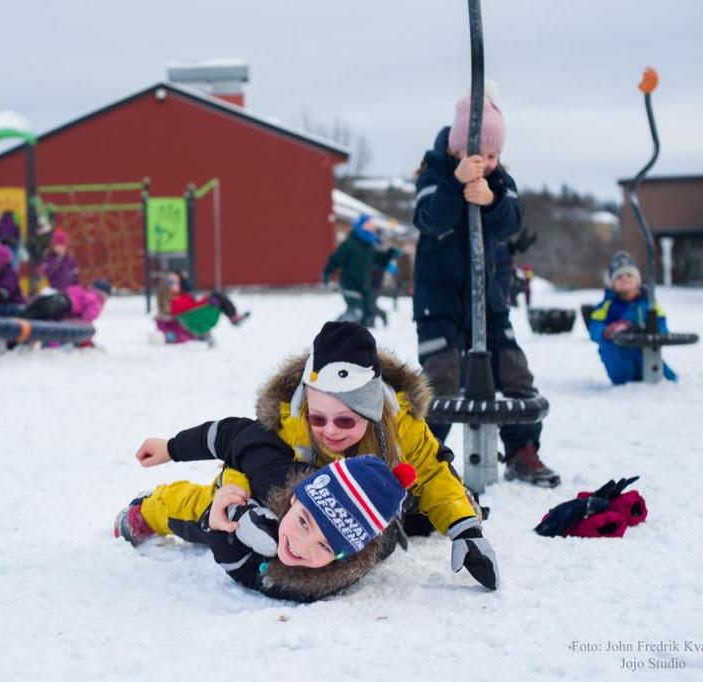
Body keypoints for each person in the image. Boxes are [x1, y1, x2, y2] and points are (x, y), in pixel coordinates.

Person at [116, 321, 499, 591]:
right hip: (288, 499)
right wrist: (229, 502)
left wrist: (464, 527)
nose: (330, 430)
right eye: (319, 418)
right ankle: (151, 509)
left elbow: (431, 473)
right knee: (213, 513)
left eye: (345, 421)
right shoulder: (288, 422)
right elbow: (242, 459)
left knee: (420, 505)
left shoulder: (401, 427)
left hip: (354, 510)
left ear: (369, 412)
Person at [412, 82, 560, 488]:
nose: (490, 162)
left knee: (513, 371)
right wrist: (455, 187)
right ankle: (426, 463)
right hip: (439, 302)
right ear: (459, 149)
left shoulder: (500, 180)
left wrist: (491, 200)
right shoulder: (435, 173)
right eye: (482, 155)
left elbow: (512, 221)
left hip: (490, 299)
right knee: (440, 378)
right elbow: (429, 219)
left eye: (495, 156)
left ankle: (521, 450)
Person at [117, 452, 416, 602]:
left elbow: (246, 572)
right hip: (249, 482)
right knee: (200, 508)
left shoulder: (336, 574)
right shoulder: (273, 477)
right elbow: (241, 441)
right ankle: (150, 508)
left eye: (325, 546)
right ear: (295, 501)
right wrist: (228, 504)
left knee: (220, 521)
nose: (302, 544)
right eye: (303, 523)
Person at [588, 250, 677, 384]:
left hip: (645, 351)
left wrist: (657, 330)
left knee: (668, 379)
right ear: (612, 283)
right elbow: (595, 327)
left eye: (629, 275)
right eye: (619, 276)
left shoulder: (649, 303)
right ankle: (624, 382)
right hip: (619, 352)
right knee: (610, 352)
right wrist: (607, 331)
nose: (624, 279)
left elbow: (661, 323)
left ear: (638, 280)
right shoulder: (607, 306)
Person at [153, 271, 249, 344]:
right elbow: (191, 308)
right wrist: (206, 301)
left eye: (177, 281)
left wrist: (205, 300)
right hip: (195, 318)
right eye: (173, 283)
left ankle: (233, 317)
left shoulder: (181, 296)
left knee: (218, 296)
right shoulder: (175, 302)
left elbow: (192, 303)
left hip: (197, 315)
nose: (178, 284)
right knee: (217, 295)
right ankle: (233, 317)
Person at [322, 214, 379, 327]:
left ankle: (359, 341)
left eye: (372, 225)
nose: (371, 227)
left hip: (364, 286)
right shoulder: (350, 243)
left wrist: (389, 256)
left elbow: (378, 261)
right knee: (355, 311)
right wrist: (327, 272)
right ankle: (333, 330)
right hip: (349, 284)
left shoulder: (371, 245)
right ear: (360, 226)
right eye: (368, 224)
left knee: (367, 315)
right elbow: (335, 259)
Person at [37, 226, 79, 291]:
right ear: (53, 246)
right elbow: (45, 274)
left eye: (62, 245)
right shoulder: (48, 258)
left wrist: (76, 289)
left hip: (68, 291)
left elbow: (75, 277)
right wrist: (57, 261)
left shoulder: (70, 260)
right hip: (53, 291)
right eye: (57, 245)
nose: (60, 248)